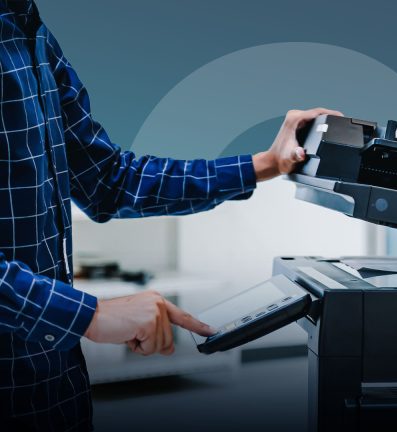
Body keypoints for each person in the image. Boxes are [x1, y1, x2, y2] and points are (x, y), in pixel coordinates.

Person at [0, 1, 341, 430]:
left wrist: (265, 164)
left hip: (53, 391)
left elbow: (107, 180)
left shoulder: (30, 30)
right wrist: (88, 315)